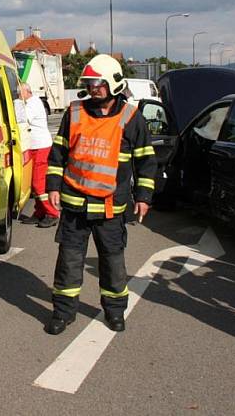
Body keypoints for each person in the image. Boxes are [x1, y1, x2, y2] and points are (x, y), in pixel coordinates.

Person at [44, 54, 157, 335]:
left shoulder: (132, 118)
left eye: (99, 83)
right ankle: (63, 313)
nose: (94, 88)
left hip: (110, 209)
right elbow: (58, 154)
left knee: (113, 264)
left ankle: (115, 312)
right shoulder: (74, 114)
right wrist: (53, 187)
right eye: (91, 83)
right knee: (68, 263)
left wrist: (143, 197)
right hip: (75, 207)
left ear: (114, 84)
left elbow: (146, 161)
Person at [15, 82, 60, 228]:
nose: (18, 96)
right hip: (33, 147)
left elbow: (23, 119)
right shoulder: (30, 102)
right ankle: (40, 212)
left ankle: (52, 213)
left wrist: (16, 104)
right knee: (33, 184)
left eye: (19, 94)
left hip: (40, 147)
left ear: (27, 92)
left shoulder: (33, 103)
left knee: (38, 183)